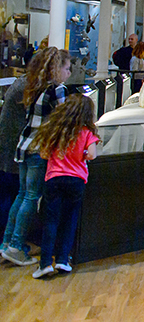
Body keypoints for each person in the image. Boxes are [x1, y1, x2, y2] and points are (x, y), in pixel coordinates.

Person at [1, 47, 72, 266]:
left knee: (22, 195)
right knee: (31, 197)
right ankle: (15, 245)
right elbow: (63, 119)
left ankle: (8, 243)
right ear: (56, 68)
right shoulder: (53, 89)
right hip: (36, 150)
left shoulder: (31, 86)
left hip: (22, 148)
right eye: (67, 69)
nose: (69, 73)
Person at [29, 94, 100, 278]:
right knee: (70, 220)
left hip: (53, 179)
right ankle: (62, 259)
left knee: (51, 220)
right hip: (76, 180)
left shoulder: (55, 130)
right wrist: (81, 153)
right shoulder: (87, 132)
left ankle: (45, 263)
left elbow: (44, 154)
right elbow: (92, 154)